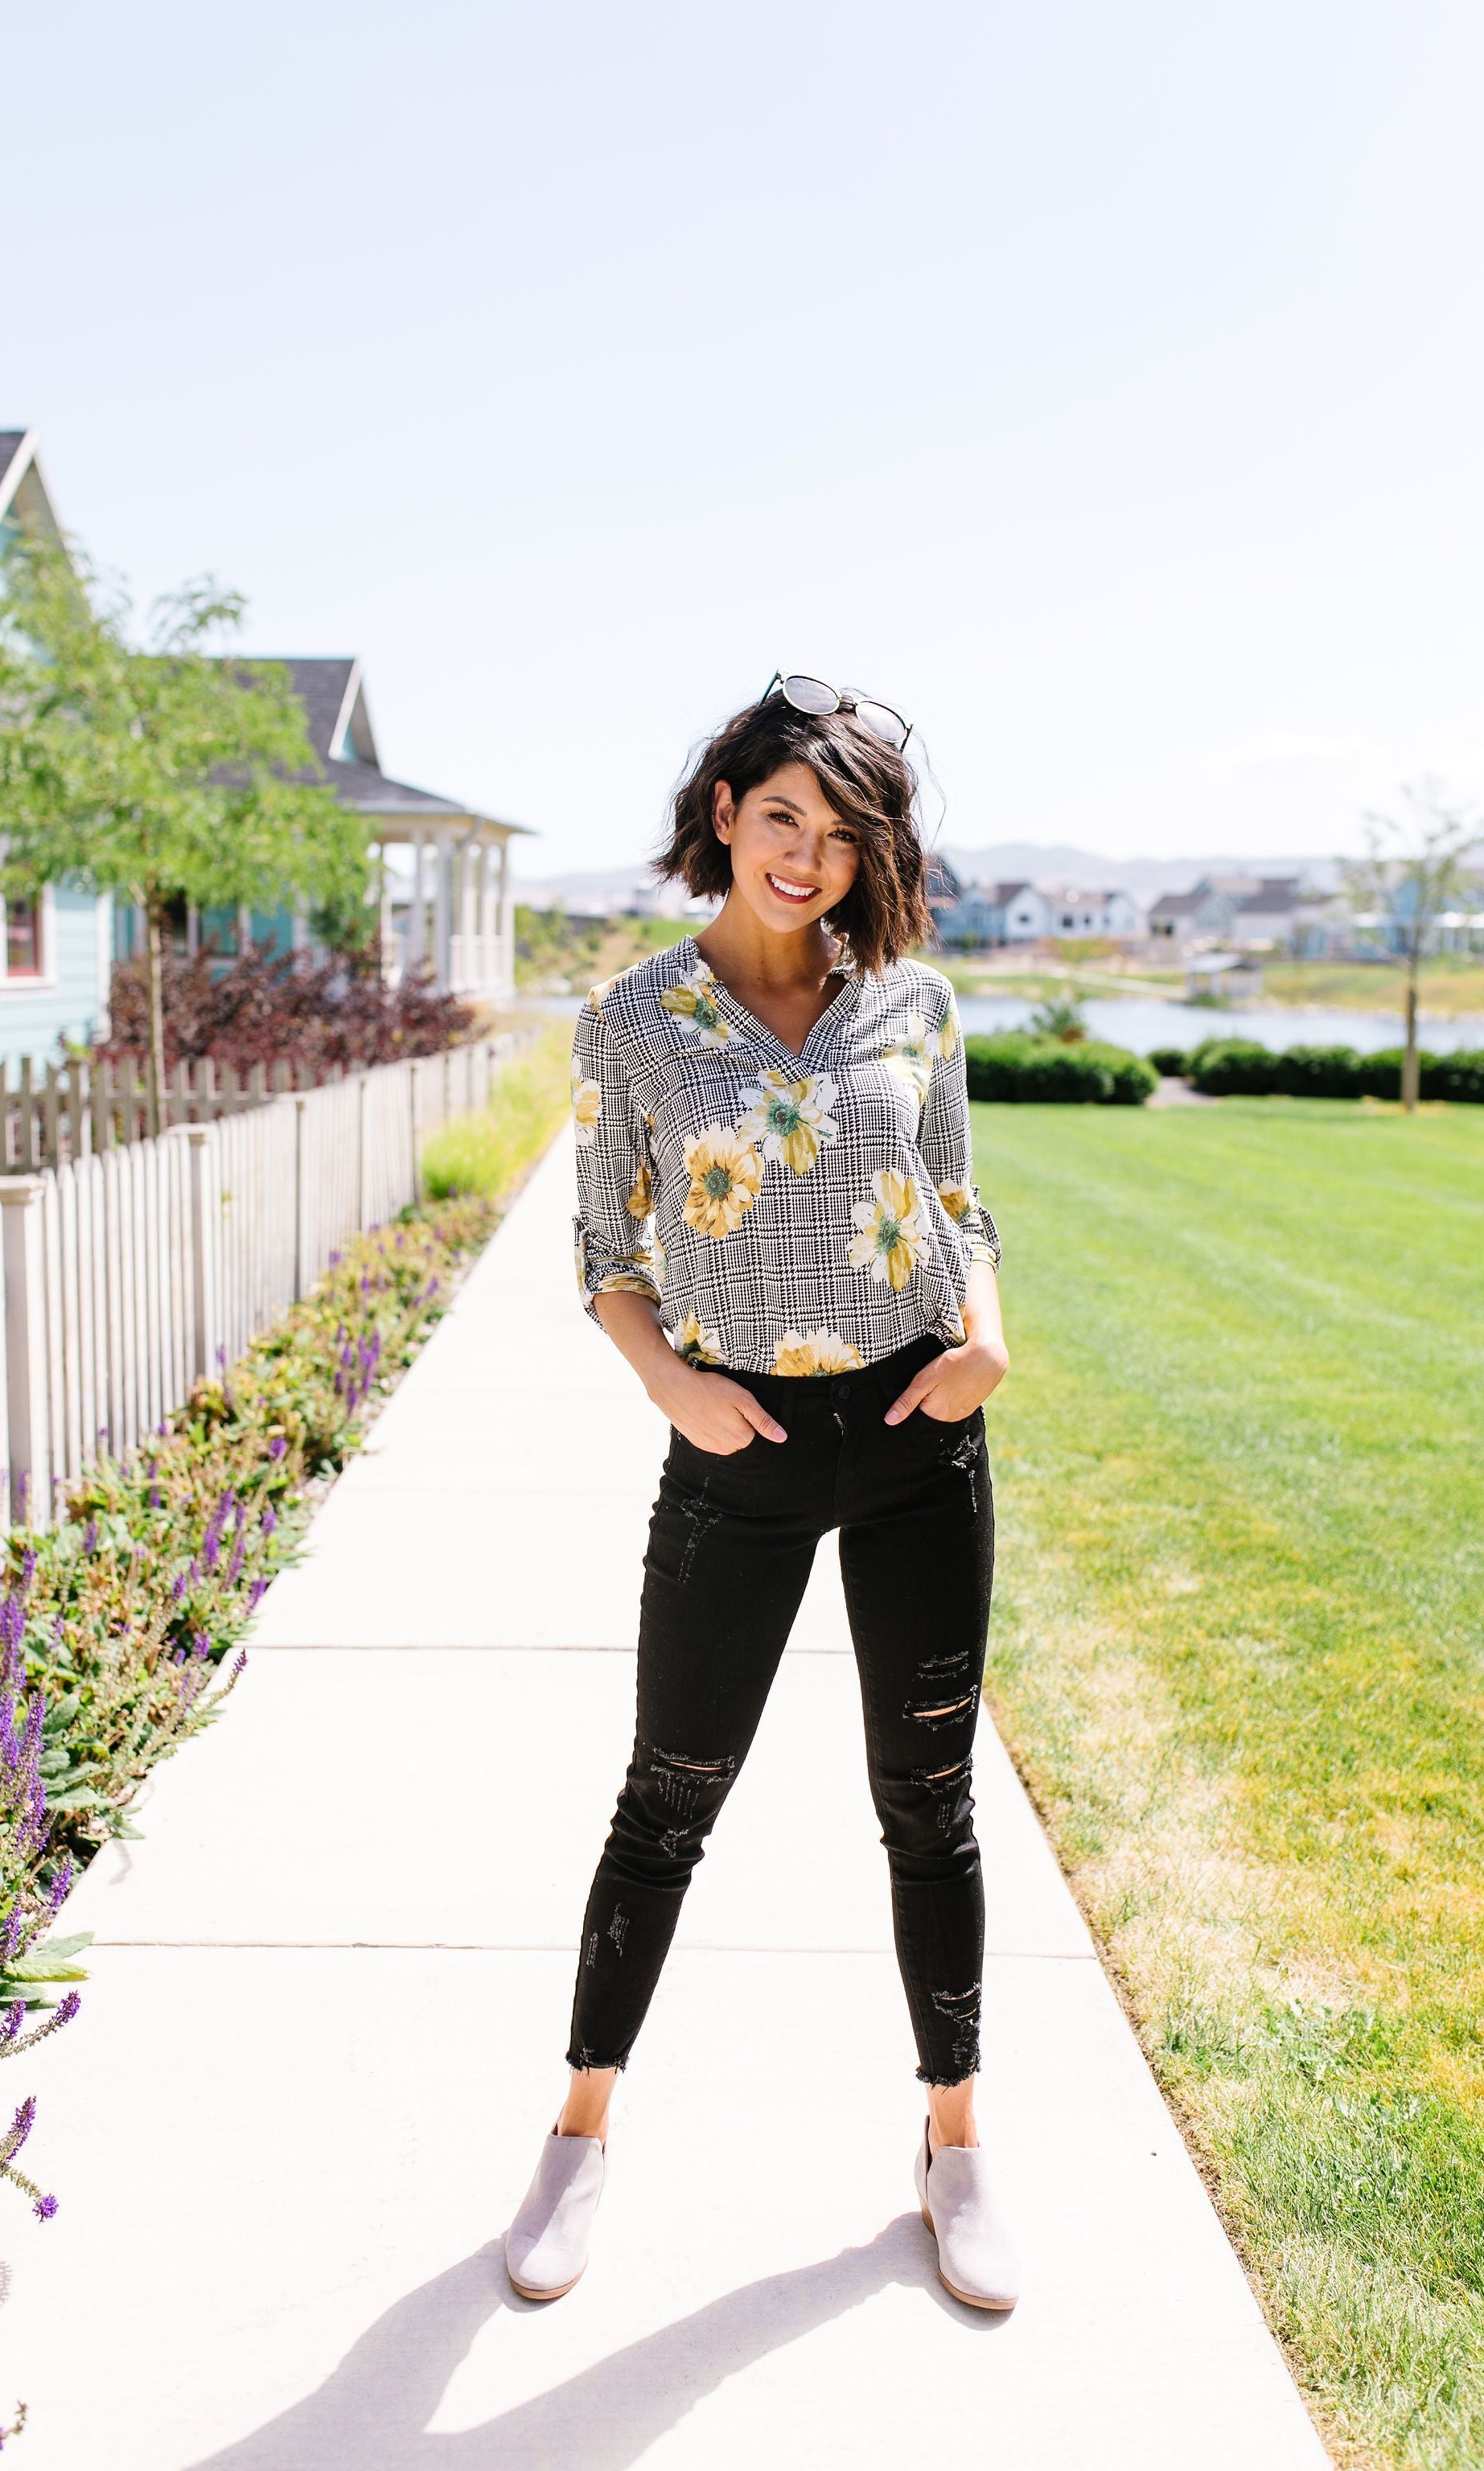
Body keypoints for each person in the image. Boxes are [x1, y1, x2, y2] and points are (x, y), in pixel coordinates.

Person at [504, 675, 1017, 2312]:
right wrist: (677, 1392)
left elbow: (956, 1199)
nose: (806, 856)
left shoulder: (916, 1006)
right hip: (740, 1451)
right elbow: (605, 1247)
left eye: (841, 831)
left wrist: (985, 1342)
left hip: (919, 1441)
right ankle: (577, 2138)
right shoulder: (636, 1018)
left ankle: (952, 2147)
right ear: (722, 810)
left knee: (925, 1807)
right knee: (668, 1799)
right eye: (781, 816)